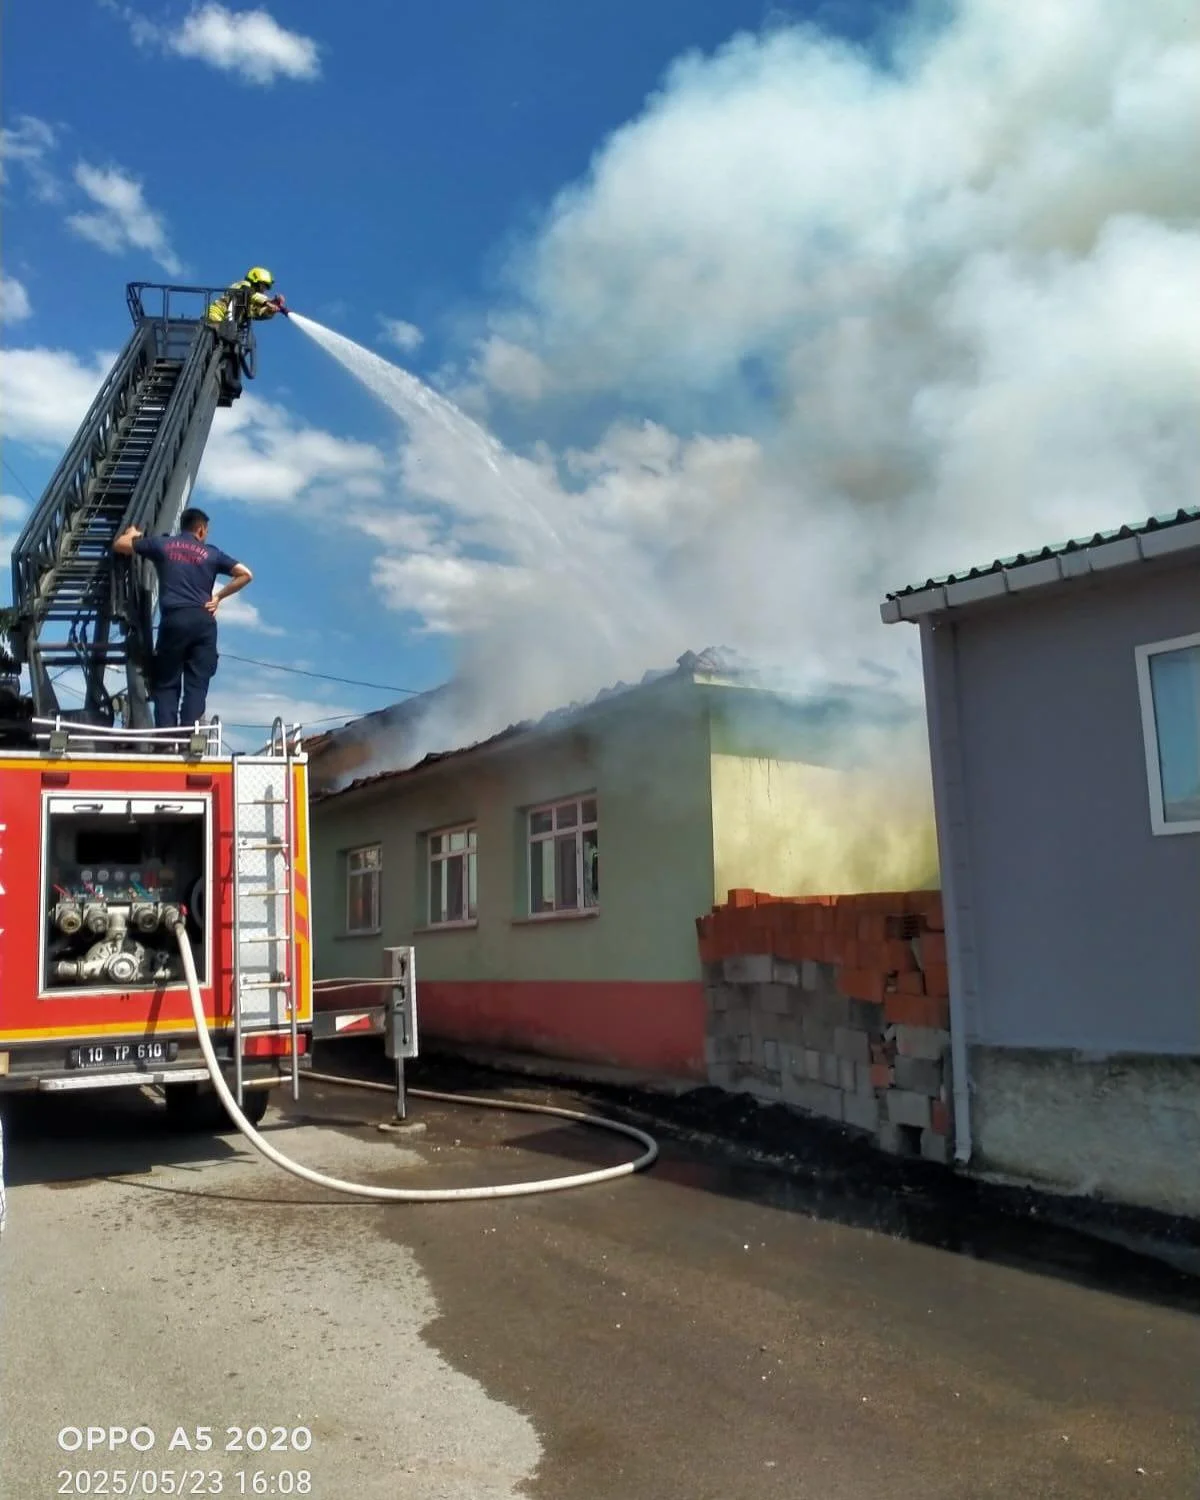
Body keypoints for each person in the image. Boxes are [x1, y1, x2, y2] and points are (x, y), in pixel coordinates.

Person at [113, 509, 253, 729]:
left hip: (174, 619)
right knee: (197, 683)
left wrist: (132, 533)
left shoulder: (162, 545)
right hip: (203, 620)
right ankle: (190, 734)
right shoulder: (212, 553)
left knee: (167, 681)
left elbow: (120, 545)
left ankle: (167, 739)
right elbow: (245, 574)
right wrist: (218, 597)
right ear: (200, 529)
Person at [206, 267, 287, 331]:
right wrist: (267, 302)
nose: (264, 290)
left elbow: (257, 312)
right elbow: (252, 295)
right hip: (214, 317)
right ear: (255, 280)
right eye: (263, 286)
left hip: (227, 327)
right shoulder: (243, 286)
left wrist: (270, 310)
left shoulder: (248, 302)